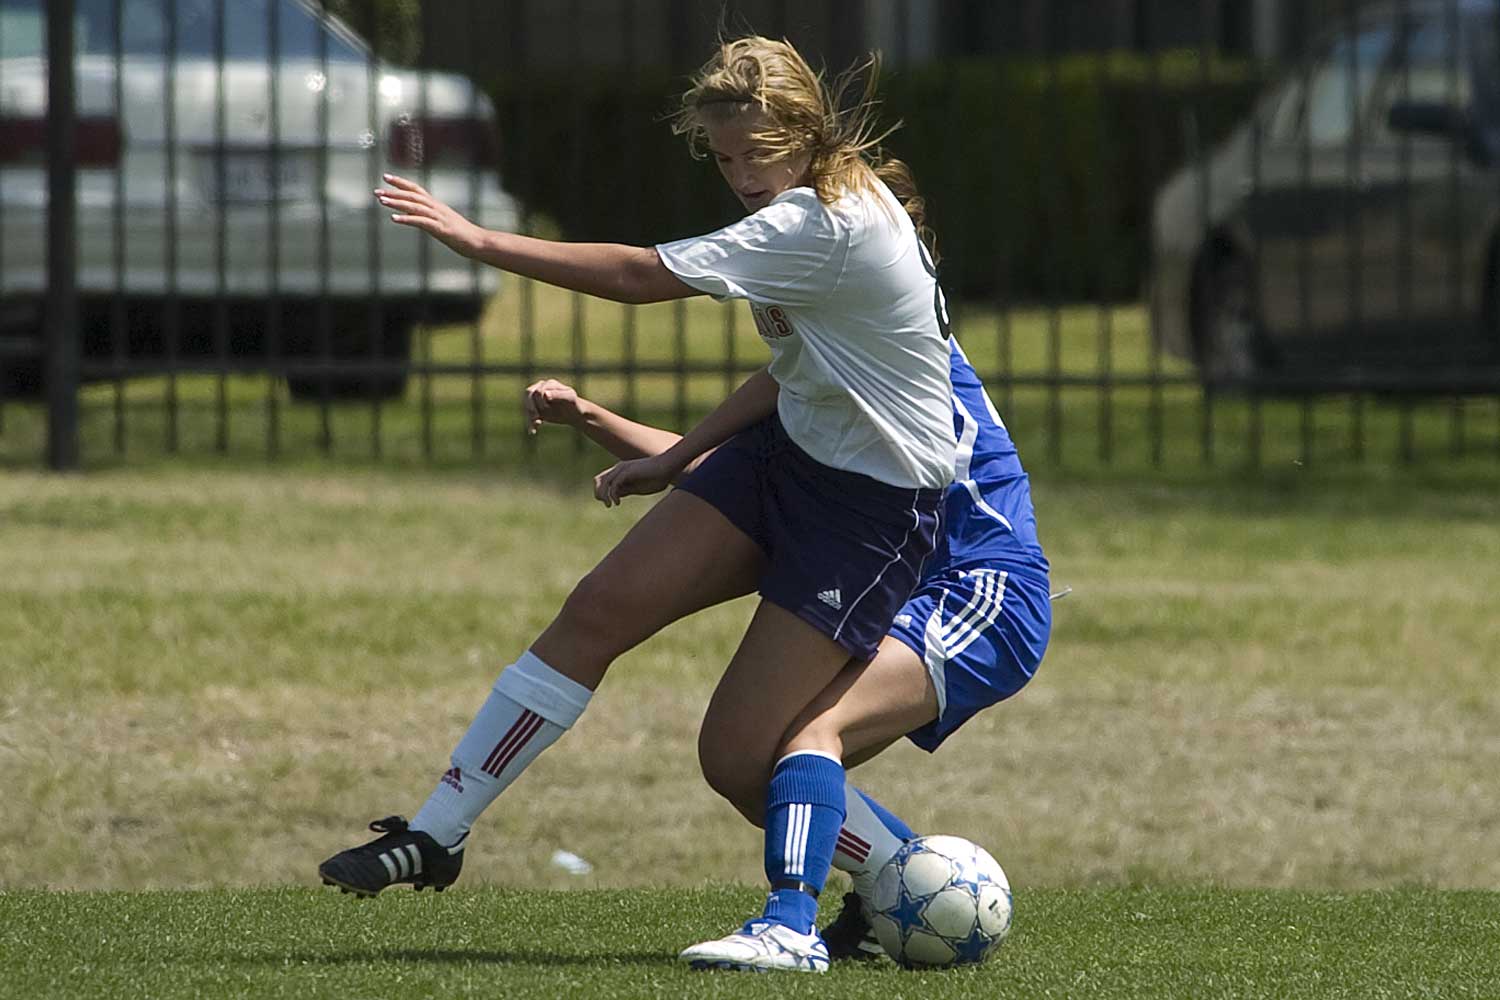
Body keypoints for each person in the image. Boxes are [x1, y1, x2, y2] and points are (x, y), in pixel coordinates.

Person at [318, 36, 961, 973]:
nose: (741, 175)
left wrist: (478, 240)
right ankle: (436, 831)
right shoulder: (803, 210)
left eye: (756, 152)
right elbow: (794, 373)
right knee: (600, 608)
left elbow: (638, 276)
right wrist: (683, 456)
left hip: (872, 509)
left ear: (806, 132)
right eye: (724, 157)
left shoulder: (822, 224)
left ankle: (874, 886)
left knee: (739, 756)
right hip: (784, 460)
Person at [522, 332, 1050, 964]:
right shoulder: (843, 345)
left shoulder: (881, 344)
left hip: (983, 588)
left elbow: (646, 285)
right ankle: (898, 886)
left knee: (811, 735)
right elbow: (737, 477)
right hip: (923, 589)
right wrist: (589, 416)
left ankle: (791, 926)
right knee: (750, 763)